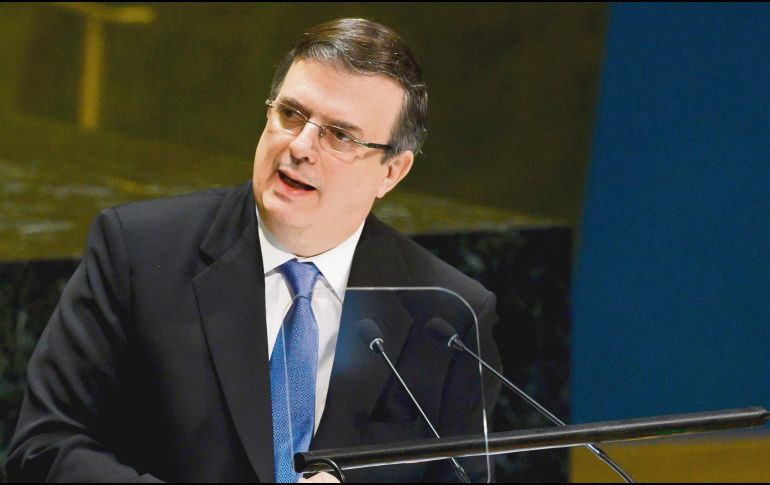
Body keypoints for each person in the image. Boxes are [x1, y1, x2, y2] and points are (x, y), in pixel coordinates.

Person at [7, 18, 501, 483]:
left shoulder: (447, 315)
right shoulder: (139, 252)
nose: (302, 145)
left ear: (392, 172)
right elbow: (44, 446)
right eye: (291, 114)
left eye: (340, 135)